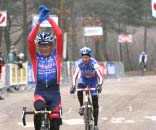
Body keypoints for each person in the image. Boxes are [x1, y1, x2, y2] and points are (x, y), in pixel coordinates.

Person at [28, 5, 63, 130]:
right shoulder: (35, 58)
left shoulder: (57, 56)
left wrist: (50, 19)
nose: (44, 48)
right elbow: (30, 39)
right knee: (39, 111)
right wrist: (39, 22)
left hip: (54, 93)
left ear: (51, 46)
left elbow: (59, 35)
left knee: (54, 122)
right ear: (38, 47)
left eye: (47, 45)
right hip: (40, 92)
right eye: (41, 45)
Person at [70, 47, 103, 130]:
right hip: (83, 79)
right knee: (79, 88)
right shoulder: (79, 63)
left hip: (93, 81)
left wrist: (99, 85)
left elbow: (99, 75)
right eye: (83, 57)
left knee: (95, 103)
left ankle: (95, 124)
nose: (85, 59)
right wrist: (73, 86)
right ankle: (81, 106)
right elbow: (75, 76)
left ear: (89, 57)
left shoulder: (94, 63)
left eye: (86, 57)